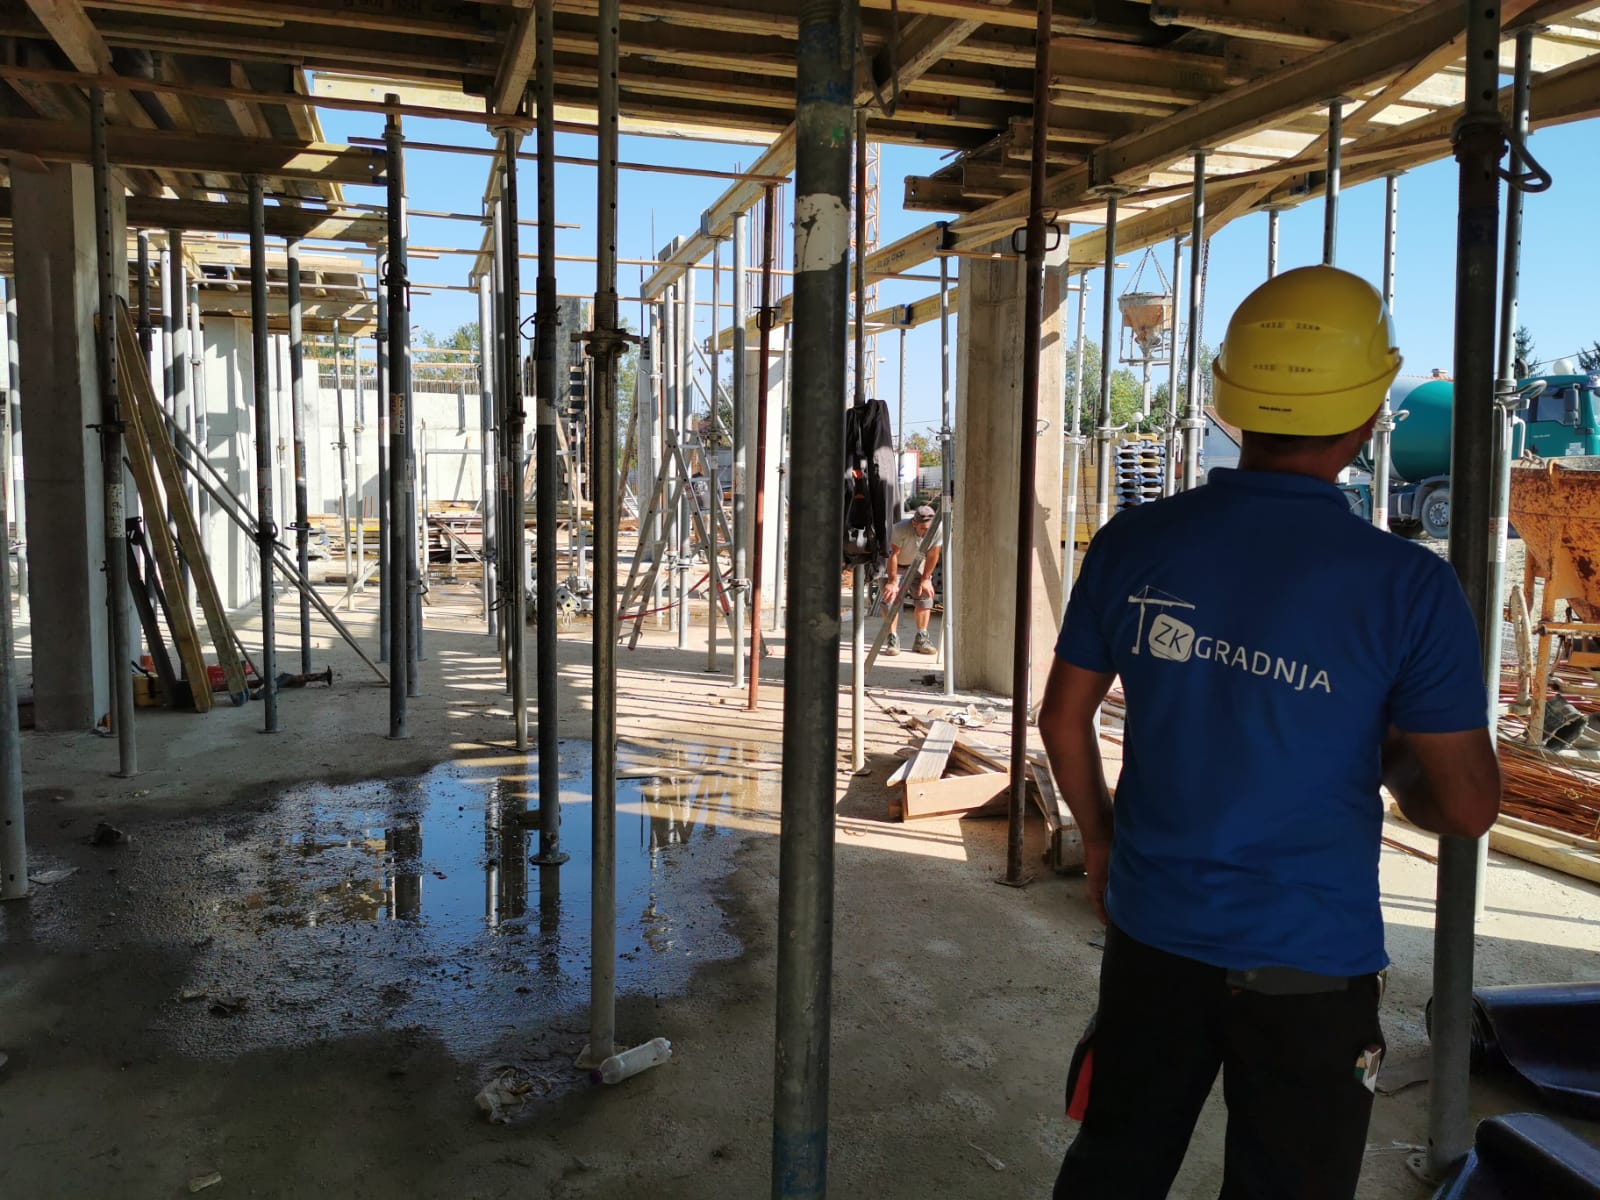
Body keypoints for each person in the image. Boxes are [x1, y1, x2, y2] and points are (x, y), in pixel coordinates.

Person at [1039, 265, 1501, 1200]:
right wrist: (1381, 742)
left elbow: (1061, 718)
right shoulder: (1409, 587)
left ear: (1232, 402)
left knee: (1115, 1169)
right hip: (1311, 966)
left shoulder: (1135, 542)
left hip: (1154, 936)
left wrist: (1101, 840)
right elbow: (1465, 807)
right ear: (1370, 413)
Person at [881, 504, 941, 655]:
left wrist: (926, 579)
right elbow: (893, 555)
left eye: (929, 529)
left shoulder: (937, 529)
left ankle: (922, 638)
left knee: (925, 596)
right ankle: (892, 638)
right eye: (923, 529)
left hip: (917, 563)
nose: (927, 533)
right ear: (914, 524)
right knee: (889, 599)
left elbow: (933, 554)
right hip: (895, 564)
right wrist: (892, 581)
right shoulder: (900, 528)